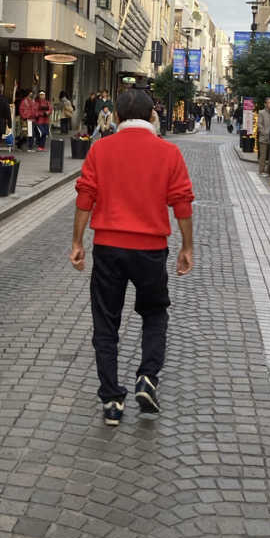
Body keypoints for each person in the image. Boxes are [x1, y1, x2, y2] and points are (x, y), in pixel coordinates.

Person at [69, 87, 194, 425]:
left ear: (119, 117)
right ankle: (148, 376)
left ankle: (111, 399)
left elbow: (85, 197)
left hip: (109, 247)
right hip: (151, 249)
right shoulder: (168, 153)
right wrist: (187, 246)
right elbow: (181, 202)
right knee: (154, 313)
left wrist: (78, 241)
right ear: (153, 115)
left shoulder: (101, 149)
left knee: (105, 321)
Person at [257, 97, 270, 177]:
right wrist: (264, 133)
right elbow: (259, 124)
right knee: (263, 156)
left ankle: (268, 171)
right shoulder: (261, 112)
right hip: (264, 138)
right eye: (269, 102)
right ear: (265, 104)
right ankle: (261, 171)